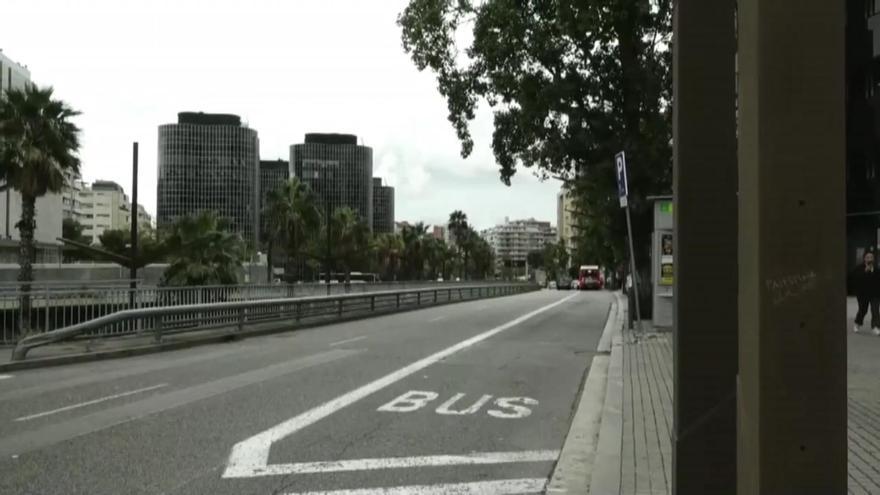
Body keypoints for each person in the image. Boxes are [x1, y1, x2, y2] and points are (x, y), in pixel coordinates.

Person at [852, 250, 880, 335]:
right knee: (863, 310)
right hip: (863, 294)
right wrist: (865, 272)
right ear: (864, 259)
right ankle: (857, 323)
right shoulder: (859, 268)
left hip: (874, 294)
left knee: (875, 310)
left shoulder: (876, 269)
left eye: (871, 257)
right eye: (868, 257)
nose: (869, 259)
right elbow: (856, 280)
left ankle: (875, 327)